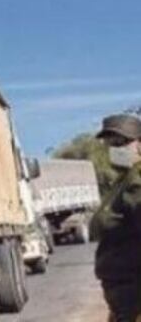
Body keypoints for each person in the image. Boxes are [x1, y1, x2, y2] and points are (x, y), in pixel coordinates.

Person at [90, 113, 141, 322]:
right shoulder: (123, 182)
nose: (116, 149)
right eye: (110, 143)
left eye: (122, 142)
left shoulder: (136, 183)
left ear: (139, 145)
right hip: (122, 300)